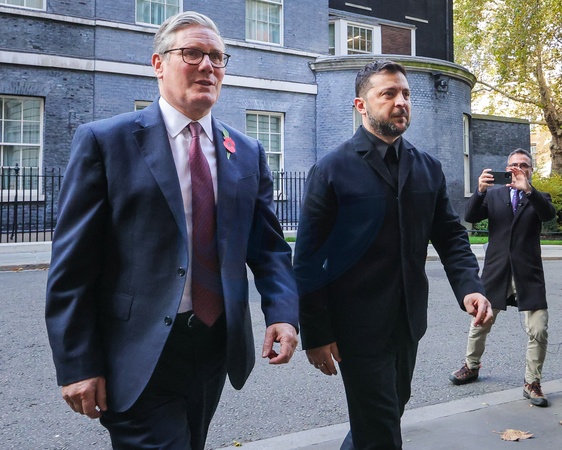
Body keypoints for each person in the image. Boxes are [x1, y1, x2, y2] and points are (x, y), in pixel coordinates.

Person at [45, 11, 299, 450]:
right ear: (158, 64)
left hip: (213, 346)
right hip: (137, 349)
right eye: (192, 53)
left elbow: (269, 249)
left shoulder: (245, 151)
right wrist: (77, 363)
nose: (208, 66)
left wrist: (282, 312)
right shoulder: (106, 142)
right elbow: (72, 265)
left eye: (217, 57)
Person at [293, 59, 492, 450]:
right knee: (381, 428)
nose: (401, 101)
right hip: (356, 329)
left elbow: (451, 235)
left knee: (386, 413)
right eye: (388, 93)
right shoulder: (331, 170)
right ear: (361, 105)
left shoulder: (427, 167)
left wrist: (469, 286)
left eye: (405, 94)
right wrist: (316, 333)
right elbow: (308, 260)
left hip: (408, 324)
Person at [450, 149, 555, 407]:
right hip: (497, 271)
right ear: (506, 169)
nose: (518, 168)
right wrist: (479, 191)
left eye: (524, 165)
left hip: (528, 274)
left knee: (538, 329)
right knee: (480, 322)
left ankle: (532, 382)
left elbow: (548, 215)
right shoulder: (494, 195)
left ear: (531, 170)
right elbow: (470, 216)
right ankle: (471, 366)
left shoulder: (539, 196)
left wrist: (528, 190)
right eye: (514, 164)